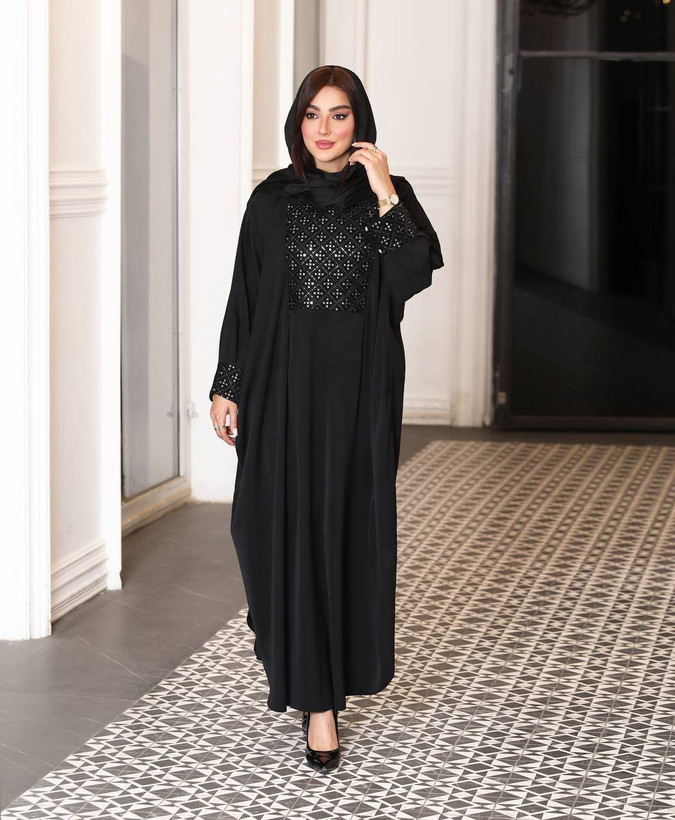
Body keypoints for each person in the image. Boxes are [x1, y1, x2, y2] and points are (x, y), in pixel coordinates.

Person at [209, 65, 444, 772]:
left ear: (359, 123)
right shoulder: (270, 200)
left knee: (339, 528)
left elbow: (412, 274)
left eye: (339, 115)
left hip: (358, 391)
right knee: (265, 527)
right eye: (313, 114)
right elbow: (245, 298)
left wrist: (383, 191)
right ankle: (298, 664)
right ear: (297, 122)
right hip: (280, 387)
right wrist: (228, 385)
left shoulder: (387, 196)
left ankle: (321, 705)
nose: (324, 128)